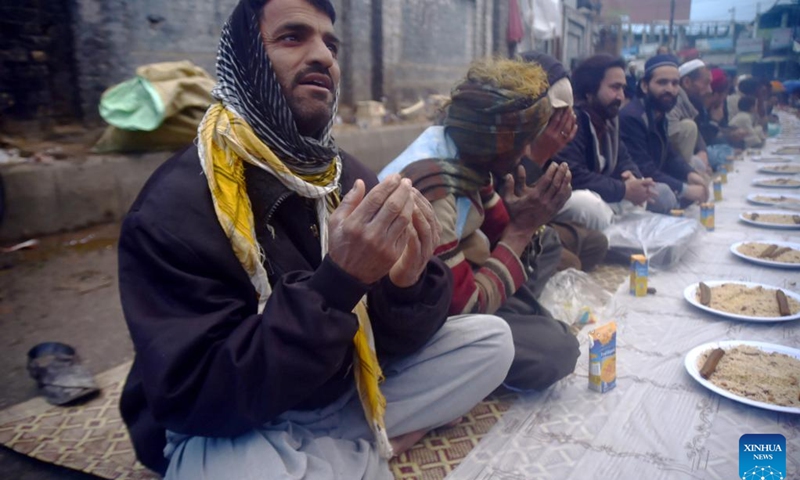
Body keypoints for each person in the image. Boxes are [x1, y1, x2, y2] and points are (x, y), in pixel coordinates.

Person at [116, 1, 515, 479]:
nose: (322, 56)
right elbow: (199, 394)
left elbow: (393, 341)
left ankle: (330, 456)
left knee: (492, 343)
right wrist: (338, 284)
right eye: (292, 37)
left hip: (337, 391)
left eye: (330, 43)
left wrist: (408, 286)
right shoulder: (173, 209)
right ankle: (354, 454)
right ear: (246, 59)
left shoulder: (343, 175)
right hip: (231, 425)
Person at [380, 56, 580, 392]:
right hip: (419, 320)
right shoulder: (432, 190)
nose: (527, 151)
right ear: (497, 142)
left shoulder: (469, 156)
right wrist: (519, 232)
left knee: (547, 244)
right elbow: (462, 306)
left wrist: (523, 222)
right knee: (557, 350)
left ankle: (516, 313)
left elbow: (500, 225)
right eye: (523, 143)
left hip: (459, 281)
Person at [551, 53, 682, 231]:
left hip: (609, 196)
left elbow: (625, 159)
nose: (621, 96)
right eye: (615, 88)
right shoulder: (573, 120)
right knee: (588, 205)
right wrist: (623, 190)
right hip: (578, 199)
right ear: (589, 91)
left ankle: (618, 226)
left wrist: (634, 178)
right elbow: (573, 174)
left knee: (662, 194)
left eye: (622, 89)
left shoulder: (610, 119)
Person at [619, 55, 710, 207]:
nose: (670, 89)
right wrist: (684, 189)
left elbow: (670, 156)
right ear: (645, 86)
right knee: (664, 195)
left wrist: (690, 174)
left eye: (675, 84)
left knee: (698, 172)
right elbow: (644, 168)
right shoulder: (632, 117)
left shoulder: (659, 114)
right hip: (636, 186)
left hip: (654, 177)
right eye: (662, 82)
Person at [666, 59, 712, 174]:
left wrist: (703, 151)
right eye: (706, 83)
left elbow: (698, 136)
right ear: (687, 82)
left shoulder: (691, 104)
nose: (710, 90)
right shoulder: (673, 102)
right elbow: (669, 147)